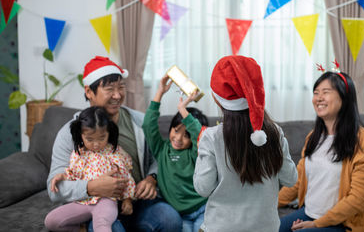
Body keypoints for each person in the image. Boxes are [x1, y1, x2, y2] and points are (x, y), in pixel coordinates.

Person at [46, 56, 182, 231]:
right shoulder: (70, 133)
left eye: (121, 87)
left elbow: (161, 156)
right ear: (89, 91)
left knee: (170, 220)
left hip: (138, 203)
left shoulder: (140, 121)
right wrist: (91, 187)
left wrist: (152, 178)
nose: (117, 95)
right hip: (95, 206)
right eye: (109, 89)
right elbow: (54, 189)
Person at [193, 55, 298, 232]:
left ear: (216, 97)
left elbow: (203, 188)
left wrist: (200, 155)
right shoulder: (274, 133)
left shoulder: (210, 138)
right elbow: (291, 179)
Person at [278, 71, 364, 232]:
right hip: (309, 213)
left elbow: (360, 198)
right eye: (316, 93)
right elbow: (297, 182)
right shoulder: (313, 137)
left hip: (343, 222)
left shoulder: (363, 142)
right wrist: (268, 204)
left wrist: (318, 224)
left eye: (325, 92)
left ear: (344, 97)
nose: (318, 98)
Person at [45, 106, 136, 232]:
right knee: (51, 221)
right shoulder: (78, 154)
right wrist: (62, 176)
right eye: (90, 139)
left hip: (106, 201)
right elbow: (74, 175)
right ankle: (82, 229)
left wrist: (128, 200)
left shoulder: (116, 153)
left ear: (109, 133)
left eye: (101, 138)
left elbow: (127, 177)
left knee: (101, 225)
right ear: (81, 135)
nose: (96, 144)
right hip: (83, 202)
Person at [142, 75, 209, 232]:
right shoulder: (161, 149)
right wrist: (160, 92)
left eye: (186, 135)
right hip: (180, 215)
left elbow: (199, 133)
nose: (178, 138)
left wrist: (183, 110)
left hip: (203, 209)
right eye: (176, 130)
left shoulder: (196, 153)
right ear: (170, 128)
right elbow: (148, 125)